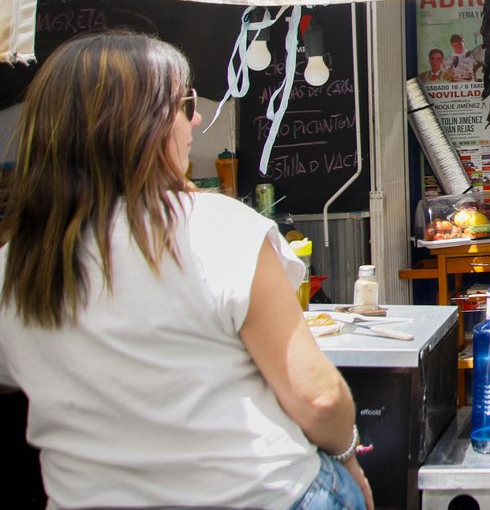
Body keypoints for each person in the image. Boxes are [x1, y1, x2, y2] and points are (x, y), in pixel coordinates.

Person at [0, 30, 372, 510]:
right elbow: (319, 399)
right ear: (138, 125)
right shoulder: (219, 228)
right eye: (184, 104)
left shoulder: (16, 262)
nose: (196, 118)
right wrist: (347, 458)